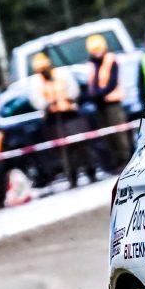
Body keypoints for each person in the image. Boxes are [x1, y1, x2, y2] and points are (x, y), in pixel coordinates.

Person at [30, 51, 95, 188]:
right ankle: (72, 177)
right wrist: (47, 104)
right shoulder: (35, 82)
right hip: (53, 119)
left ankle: (91, 171)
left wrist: (66, 99)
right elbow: (36, 99)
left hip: (71, 114)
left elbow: (74, 90)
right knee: (64, 150)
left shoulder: (62, 74)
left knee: (82, 145)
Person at [85, 34, 131, 169]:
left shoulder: (111, 60)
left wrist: (99, 94)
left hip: (113, 104)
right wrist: (91, 95)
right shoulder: (92, 65)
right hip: (99, 105)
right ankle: (116, 160)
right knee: (107, 135)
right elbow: (91, 84)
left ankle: (126, 158)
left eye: (98, 49)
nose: (97, 52)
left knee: (119, 133)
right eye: (94, 50)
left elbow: (112, 82)